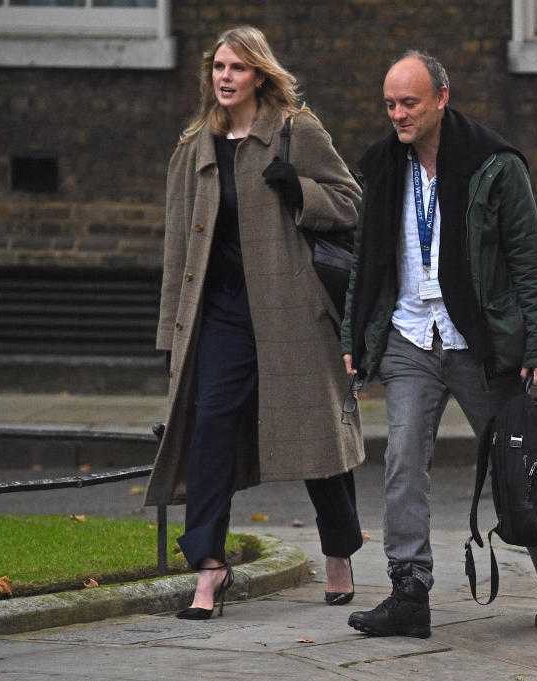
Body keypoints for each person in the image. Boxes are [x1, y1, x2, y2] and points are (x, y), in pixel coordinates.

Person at [341, 51, 537, 638]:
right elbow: (365, 263)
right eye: (390, 104)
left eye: (409, 103)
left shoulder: (494, 165)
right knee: (402, 460)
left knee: (519, 467)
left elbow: (530, 263)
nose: (398, 115)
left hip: (479, 341)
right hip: (409, 336)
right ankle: (409, 590)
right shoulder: (384, 168)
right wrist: (354, 337)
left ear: (442, 98)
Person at [144, 25, 364, 620]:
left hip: (293, 309)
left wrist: (300, 192)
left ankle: (340, 551)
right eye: (217, 66)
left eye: (236, 68)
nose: (224, 77)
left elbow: (350, 201)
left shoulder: (295, 131)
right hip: (220, 315)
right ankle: (210, 569)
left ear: (259, 75)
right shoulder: (194, 146)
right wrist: (172, 335)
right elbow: (175, 252)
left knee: (315, 439)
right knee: (209, 431)